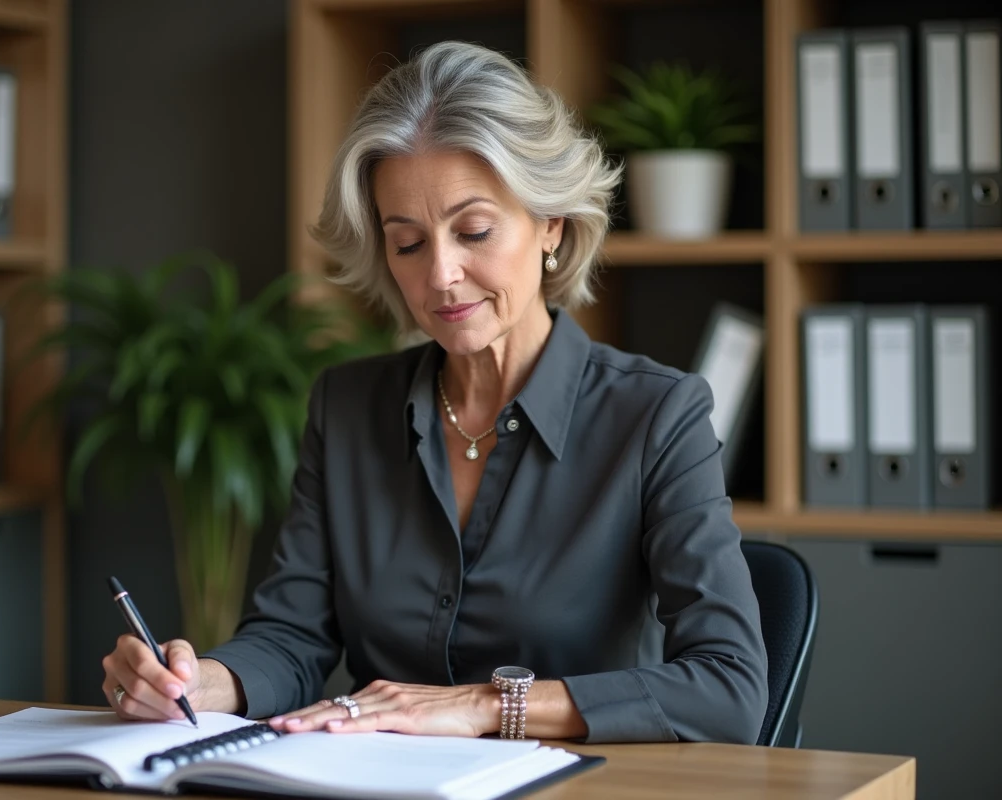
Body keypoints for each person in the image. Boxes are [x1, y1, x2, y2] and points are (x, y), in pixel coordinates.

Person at [102, 40, 768, 745]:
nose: (442, 275)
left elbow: (729, 688)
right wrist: (198, 681)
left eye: (474, 230)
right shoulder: (347, 407)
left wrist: (481, 706)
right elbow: (292, 637)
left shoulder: (657, 415)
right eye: (408, 243)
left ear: (551, 224)